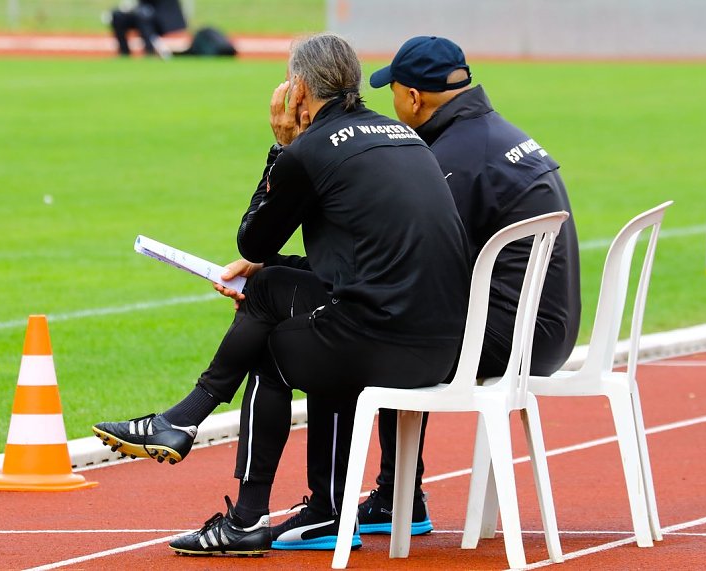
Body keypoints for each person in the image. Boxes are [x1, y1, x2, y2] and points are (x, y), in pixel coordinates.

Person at [92, 33, 471, 556]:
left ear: (296, 90)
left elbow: (253, 240)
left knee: (274, 341)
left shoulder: (310, 149)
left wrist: (282, 146)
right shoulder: (405, 137)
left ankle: (237, 507)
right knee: (276, 291)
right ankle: (318, 506)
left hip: (382, 343)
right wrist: (272, 267)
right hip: (445, 346)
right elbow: (358, 261)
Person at [357, 36, 582, 536]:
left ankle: (396, 497)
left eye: (393, 91)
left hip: (518, 339)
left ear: (414, 97)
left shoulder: (454, 157)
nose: (391, 104)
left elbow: (415, 262)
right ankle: (399, 494)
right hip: (550, 329)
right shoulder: (494, 134)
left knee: (377, 333)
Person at [108, 0, 186, 58]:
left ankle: (149, 52)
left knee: (143, 16)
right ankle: (124, 53)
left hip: (161, 18)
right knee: (117, 16)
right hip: (141, 14)